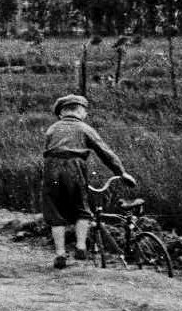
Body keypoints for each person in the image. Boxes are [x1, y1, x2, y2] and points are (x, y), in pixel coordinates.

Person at [42, 93, 130, 270]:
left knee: (55, 211)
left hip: (51, 169)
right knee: (82, 208)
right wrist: (121, 173)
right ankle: (81, 246)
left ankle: (60, 254)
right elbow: (105, 153)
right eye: (84, 111)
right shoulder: (85, 129)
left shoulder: (51, 129)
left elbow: (48, 150)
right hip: (75, 168)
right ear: (80, 111)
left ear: (62, 113)